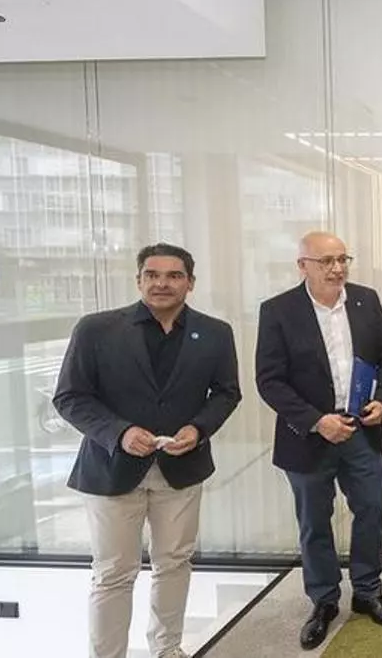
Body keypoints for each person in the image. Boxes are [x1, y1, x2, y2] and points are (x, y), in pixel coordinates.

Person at [54, 243, 241, 658]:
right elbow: (70, 397)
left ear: (190, 283)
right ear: (138, 280)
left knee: (174, 563)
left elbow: (227, 393)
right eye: (152, 275)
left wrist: (198, 428)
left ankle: (167, 649)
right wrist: (119, 433)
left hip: (182, 468)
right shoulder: (96, 329)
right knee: (113, 574)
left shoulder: (215, 332)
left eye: (174, 275)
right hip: (111, 469)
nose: (162, 283)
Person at [255, 232, 382, 650]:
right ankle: (323, 600)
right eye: (326, 261)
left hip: (361, 431)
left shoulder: (365, 300)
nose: (337, 268)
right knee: (314, 522)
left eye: (342, 259)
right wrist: (317, 422)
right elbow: (269, 380)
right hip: (309, 436)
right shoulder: (278, 310)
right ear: (302, 265)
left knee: (370, 511)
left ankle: (368, 591)